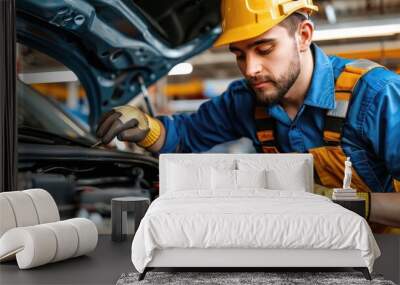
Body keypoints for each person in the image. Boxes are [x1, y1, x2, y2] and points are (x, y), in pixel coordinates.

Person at [96, 0, 400, 232]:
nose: (250, 69)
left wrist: (337, 202)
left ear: (303, 36)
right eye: (239, 54)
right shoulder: (244, 100)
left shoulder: (376, 95)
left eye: (264, 49)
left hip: (385, 249)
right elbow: (184, 138)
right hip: (304, 245)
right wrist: (147, 127)